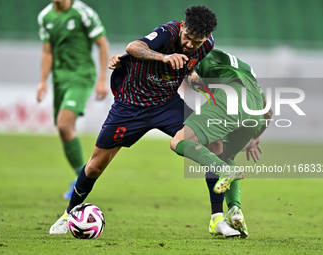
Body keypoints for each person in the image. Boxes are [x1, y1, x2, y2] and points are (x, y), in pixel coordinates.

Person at [49, 5, 218, 235]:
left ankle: (218, 219)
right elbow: (134, 47)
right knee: (96, 165)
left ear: (206, 38)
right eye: (187, 37)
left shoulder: (207, 46)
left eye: (196, 42)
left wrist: (195, 78)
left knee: (213, 146)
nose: (189, 45)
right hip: (130, 106)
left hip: (166, 105)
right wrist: (164, 57)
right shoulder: (167, 33)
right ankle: (68, 214)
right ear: (183, 25)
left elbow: (189, 66)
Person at [171, 49, 273, 238]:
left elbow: (192, 76)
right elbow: (268, 112)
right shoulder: (245, 69)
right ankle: (235, 209)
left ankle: (223, 170)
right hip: (255, 108)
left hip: (230, 97)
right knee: (227, 155)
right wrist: (254, 138)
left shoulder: (202, 55)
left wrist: (192, 83)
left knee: (179, 141)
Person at [36, 0, 109, 199]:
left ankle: (81, 180)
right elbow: (47, 51)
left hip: (81, 77)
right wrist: (43, 81)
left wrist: (102, 79)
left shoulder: (82, 12)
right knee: (64, 131)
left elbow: (102, 44)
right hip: (60, 79)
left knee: (63, 124)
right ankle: (80, 177)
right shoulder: (45, 17)